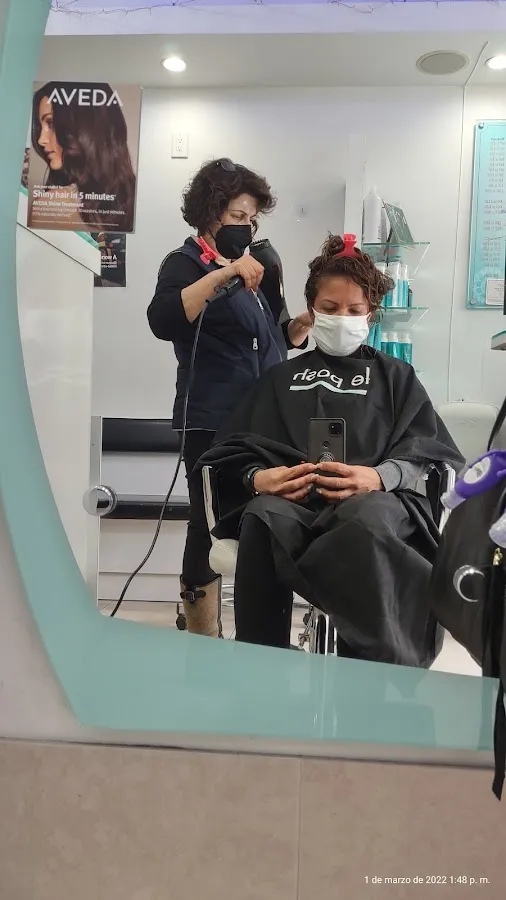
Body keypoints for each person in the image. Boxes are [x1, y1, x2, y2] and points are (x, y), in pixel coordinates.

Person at [192, 235, 464, 666]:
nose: (342, 319)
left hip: (374, 503)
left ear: (371, 313)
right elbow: (232, 451)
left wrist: (379, 477)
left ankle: (369, 670)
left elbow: (426, 451)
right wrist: (258, 478)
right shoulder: (279, 378)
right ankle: (261, 669)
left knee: (363, 519)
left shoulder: (397, 378)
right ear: (312, 308)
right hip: (293, 505)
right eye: (331, 308)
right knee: (261, 516)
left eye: (354, 311)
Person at [147, 158, 311, 637]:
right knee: (208, 523)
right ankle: (202, 633)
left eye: (251, 219)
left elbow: (271, 336)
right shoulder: (184, 264)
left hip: (262, 418)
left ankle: (256, 633)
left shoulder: (257, 268)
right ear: (209, 213)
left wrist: (299, 328)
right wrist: (223, 275)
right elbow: (163, 320)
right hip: (210, 418)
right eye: (238, 216)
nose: (247, 227)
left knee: (258, 520)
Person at [30, 81, 136, 232]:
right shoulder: (134, 198)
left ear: (85, 127)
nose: (41, 139)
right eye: (40, 127)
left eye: (51, 123)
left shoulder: (52, 204)